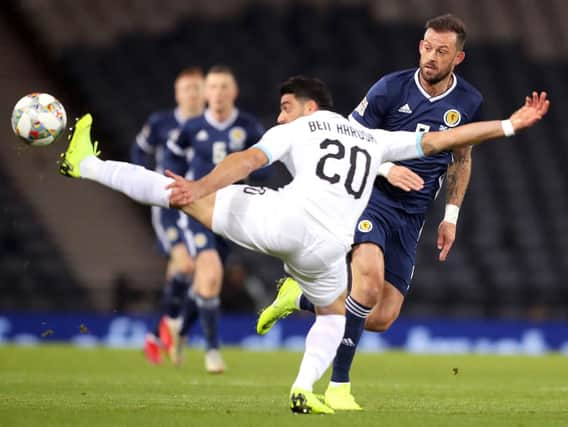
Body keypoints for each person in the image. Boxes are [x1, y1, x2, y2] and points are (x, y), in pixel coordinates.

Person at [57, 76, 548, 414]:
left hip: (280, 220)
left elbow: (248, 160)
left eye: (287, 105)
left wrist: (201, 189)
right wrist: (508, 125)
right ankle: (302, 386)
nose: (281, 113)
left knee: (177, 193)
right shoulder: (376, 140)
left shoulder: (301, 127)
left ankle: (85, 165)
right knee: (339, 314)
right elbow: (446, 141)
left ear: (311, 108)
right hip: (324, 250)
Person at [256, 13, 483, 409]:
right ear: (420, 45)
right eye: (427, 47)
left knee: (381, 317)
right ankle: (339, 386)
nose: (431, 56)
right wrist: (388, 167)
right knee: (367, 284)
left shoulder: (468, 101)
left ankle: (300, 298)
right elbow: (348, 139)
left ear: (457, 59)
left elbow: (461, 159)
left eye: (441, 51)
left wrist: (450, 217)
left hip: (412, 217)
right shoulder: (389, 89)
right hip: (371, 199)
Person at [162, 65, 266, 373]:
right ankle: (212, 352)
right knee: (210, 273)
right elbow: (171, 158)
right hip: (197, 208)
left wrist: (249, 171)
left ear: (234, 92)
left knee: (209, 283)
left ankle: (179, 329)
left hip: (230, 211)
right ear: (206, 93)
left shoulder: (248, 127)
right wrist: (179, 187)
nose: (218, 93)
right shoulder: (192, 127)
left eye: (224, 87)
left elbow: (266, 165)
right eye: (214, 87)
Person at [131, 67, 206, 366]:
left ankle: (158, 335)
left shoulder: (210, 125)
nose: (192, 94)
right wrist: (146, 182)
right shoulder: (161, 123)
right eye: (186, 88)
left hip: (200, 204)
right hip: (168, 206)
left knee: (196, 278)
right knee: (185, 265)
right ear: (177, 94)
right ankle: (169, 330)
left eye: (197, 88)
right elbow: (139, 149)